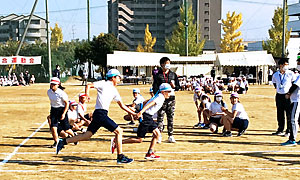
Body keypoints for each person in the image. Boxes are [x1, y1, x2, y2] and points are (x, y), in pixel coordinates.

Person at [56, 69, 135, 164]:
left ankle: (63, 142)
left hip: (100, 114)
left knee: (87, 135)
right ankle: (120, 156)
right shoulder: (104, 83)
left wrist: (134, 114)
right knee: (119, 131)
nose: (120, 79)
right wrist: (87, 94)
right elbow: (89, 85)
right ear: (113, 77)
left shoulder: (114, 90)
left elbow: (122, 105)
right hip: (100, 114)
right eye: (118, 77)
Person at [119, 83, 172, 159]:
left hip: (148, 117)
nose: (170, 93)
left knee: (157, 134)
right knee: (139, 139)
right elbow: (150, 104)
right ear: (163, 92)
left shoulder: (160, 96)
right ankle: (118, 142)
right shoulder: (160, 97)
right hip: (147, 118)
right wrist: (141, 112)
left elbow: (146, 102)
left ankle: (150, 153)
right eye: (168, 91)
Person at [152, 57, 180, 143]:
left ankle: (170, 135)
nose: (168, 65)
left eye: (169, 63)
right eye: (166, 63)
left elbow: (178, 87)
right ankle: (159, 135)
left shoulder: (173, 75)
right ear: (162, 64)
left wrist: (174, 87)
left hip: (171, 99)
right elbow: (154, 88)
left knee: (170, 117)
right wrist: (160, 93)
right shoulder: (158, 76)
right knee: (160, 118)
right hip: (161, 99)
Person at [47, 77, 74, 147]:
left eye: (54, 84)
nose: (52, 85)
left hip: (61, 110)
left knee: (67, 129)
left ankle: (74, 137)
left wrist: (64, 113)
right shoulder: (49, 92)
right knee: (53, 127)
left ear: (58, 84)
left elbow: (67, 103)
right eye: (51, 84)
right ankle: (57, 142)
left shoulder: (61, 93)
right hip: (53, 110)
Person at [272, 58, 296, 136]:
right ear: (280, 65)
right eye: (284, 65)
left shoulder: (290, 73)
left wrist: (289, 93)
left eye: (287, 65)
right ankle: (280, 129)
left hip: (288, 96)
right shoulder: (275, 75)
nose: (286, 66)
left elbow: (294, 84)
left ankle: (288, 130)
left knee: (289, 113)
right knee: (280, 113)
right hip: (279, 95)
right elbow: (275, 84)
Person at [281, 58, 300, 146]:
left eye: (298, 62)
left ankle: (292, 139)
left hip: (296, 100)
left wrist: (289, 93)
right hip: (296, 99)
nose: (297, 63)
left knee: (292, 119)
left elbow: (295, 85)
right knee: (299, 120)